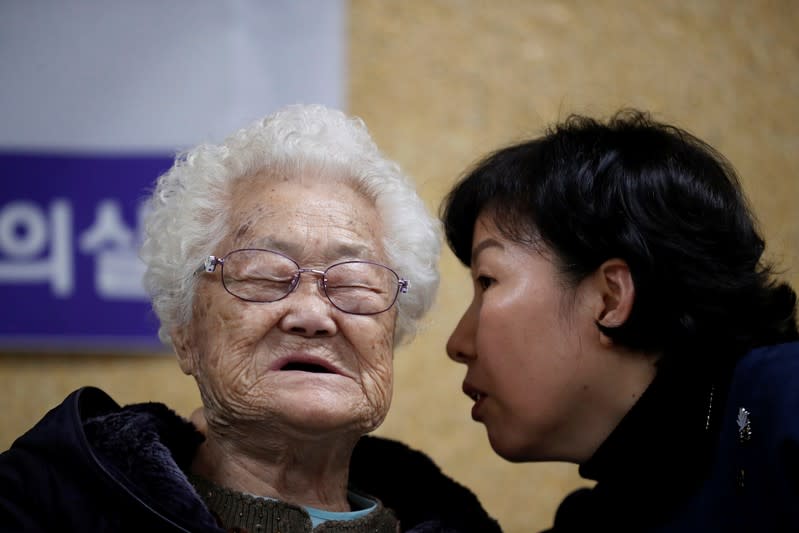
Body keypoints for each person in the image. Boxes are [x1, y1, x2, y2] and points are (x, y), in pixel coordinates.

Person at [0, 104, 502, 533]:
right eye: (264, 276)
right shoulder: (43, 509)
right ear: (184, 332)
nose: (311, 315)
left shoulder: (458, 521)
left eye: (352, 283)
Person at [441, 109, 799, 532]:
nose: (457, 344)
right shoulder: (607, 516)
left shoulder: (783, 402)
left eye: (488, 281)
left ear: (610, 297)